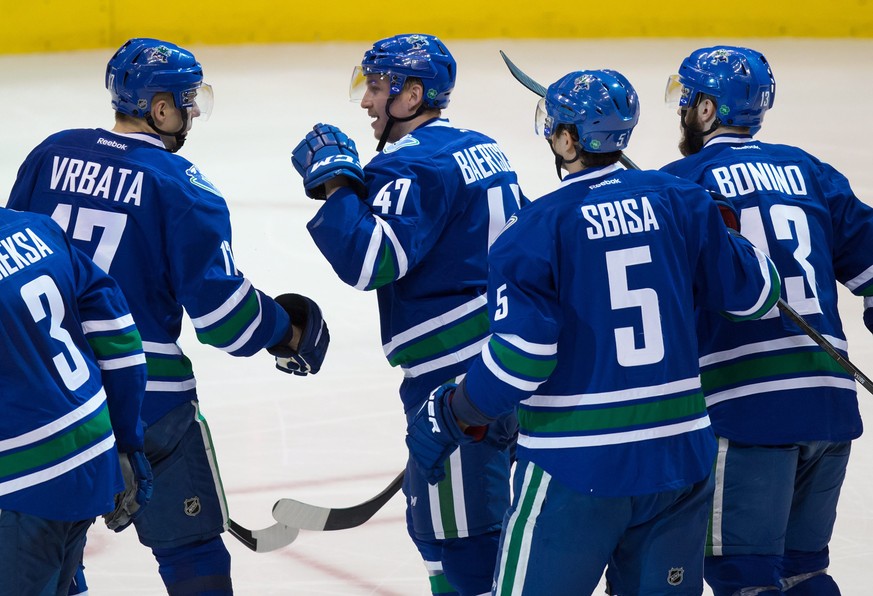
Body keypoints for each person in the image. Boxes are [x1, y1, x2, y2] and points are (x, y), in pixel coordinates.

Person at [406, 68, 784, 595]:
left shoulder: (535, 228)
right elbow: (757, 295)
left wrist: (454, 409)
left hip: (577, 463)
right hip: (679, 456)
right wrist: (727, 235)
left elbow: (525, 356)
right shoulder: (684, 202)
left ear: (565, 139)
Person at [7, 37, 330, 595]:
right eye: (186, 99)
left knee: (57, 555)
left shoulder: (49, 153)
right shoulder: (183, 186)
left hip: (59, 396)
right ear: (159, 108)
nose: (193, 111)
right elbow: (226, 319)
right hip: (152, 396)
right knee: (193, 552)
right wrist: (286, 330)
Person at [290, 33, 526, 596]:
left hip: (455, 379)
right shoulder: (484, 146)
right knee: (441, 530)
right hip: (507, 364)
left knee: (467, 543)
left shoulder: (412, 163)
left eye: (376, 88)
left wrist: (339, 185)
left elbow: (371, 261)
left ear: (413, 94)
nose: (367, 102)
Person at [660, 45, 873, 596]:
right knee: (806, 574)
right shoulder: (809, 170)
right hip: (829, 401)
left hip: (747, 408)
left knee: (744, 579)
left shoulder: (680, 185)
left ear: (706, 110)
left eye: (686, 100)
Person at [0, 206, 151, 595]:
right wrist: (126, 444)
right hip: (91, 456)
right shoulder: (38, 229)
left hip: (21, 483)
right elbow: (119, 341)